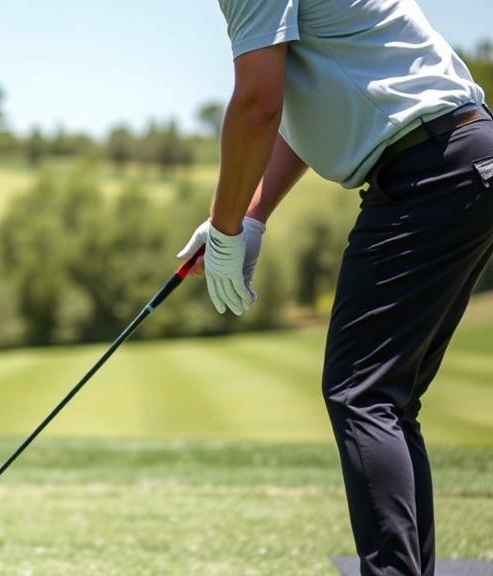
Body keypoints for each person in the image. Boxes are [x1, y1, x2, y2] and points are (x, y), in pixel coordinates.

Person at [175, 1, 493, 574]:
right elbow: (308, 113)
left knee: (360, 393)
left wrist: (224, 232)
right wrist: (248, 217)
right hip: (463, 158)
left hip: (429, 171)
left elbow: (257, 105)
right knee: (388, 400)